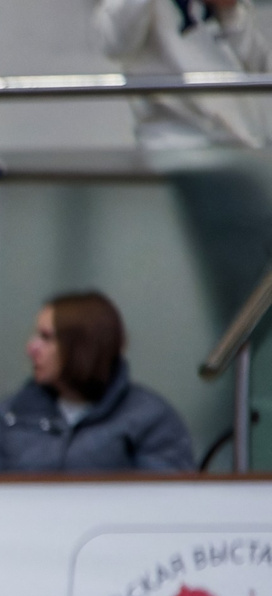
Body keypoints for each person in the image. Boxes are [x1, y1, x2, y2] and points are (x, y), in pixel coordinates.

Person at [95, 0, 272, 341]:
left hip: (241, 154)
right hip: (183, 153)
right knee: (226, 298)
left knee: (251, 293)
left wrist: (230, 12)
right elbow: (112, 41)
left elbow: (259, 65)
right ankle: (232, 384)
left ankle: (242, 384)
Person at [0, 291, 196, 473]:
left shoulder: (150, 419)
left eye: (46, 338)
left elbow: (167, 508)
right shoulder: (13, 414)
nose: (31, 349)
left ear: (81, 348)